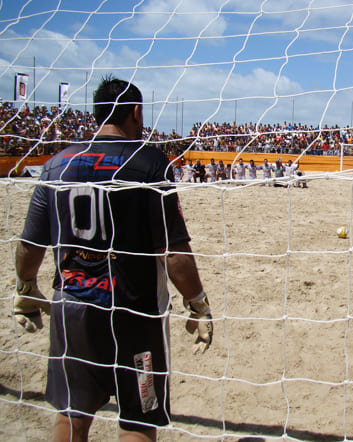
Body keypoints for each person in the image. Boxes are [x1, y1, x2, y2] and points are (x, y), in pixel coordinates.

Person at [12, 76, 213, 441]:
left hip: (73, 307)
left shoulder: (57, 164)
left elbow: (30, 243)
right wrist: (197, 302)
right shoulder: (150, 162)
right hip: (135, 314)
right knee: (139, 419)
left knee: (71, 415)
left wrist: (25, 286)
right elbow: (173, 251)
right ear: (136, 112)